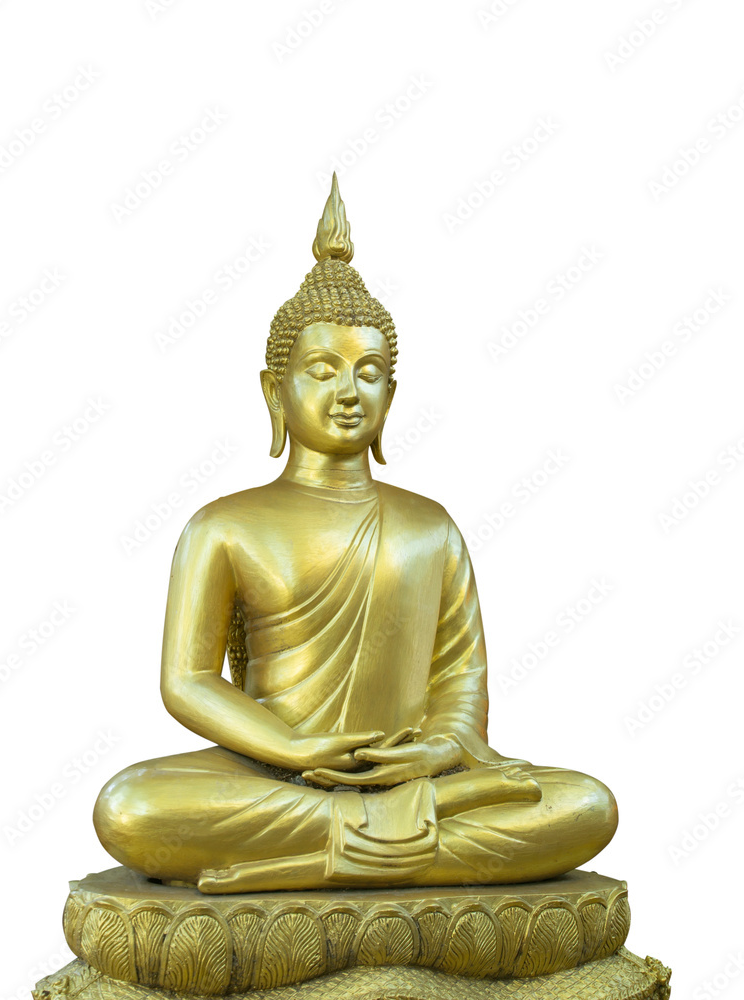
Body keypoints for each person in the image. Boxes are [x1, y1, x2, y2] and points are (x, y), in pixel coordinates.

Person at [93, 176, 617, 893]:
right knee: (131, 807)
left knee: (585, 804)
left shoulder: (429, 527)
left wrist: (436, 753)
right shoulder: (223, 525)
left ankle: (340, 849)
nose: (349, 391)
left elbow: (460, 680)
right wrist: (292, 747)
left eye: (369, 373)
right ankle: (396, 842)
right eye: (322, 370)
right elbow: (188, 681)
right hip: (278, 776)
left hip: (410, 776)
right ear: (274, 391)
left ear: (390, 397)